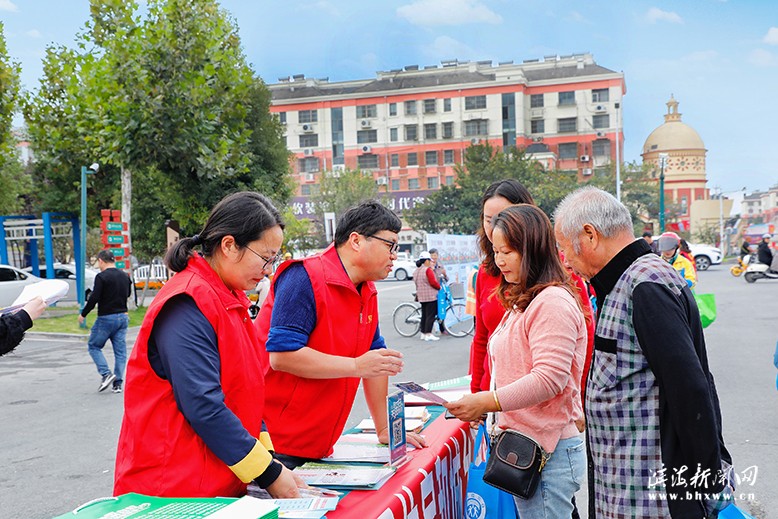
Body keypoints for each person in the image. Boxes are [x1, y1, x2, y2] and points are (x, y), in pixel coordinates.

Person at [554, 187, 733, 518]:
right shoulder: (626, 280)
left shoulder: (644, 285)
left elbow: (691, 388)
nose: (566, 261)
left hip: (649, 497)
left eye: (566, 249)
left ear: (589, 235)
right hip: (623, 488)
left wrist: (709, 479)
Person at [114, 191, 303, 499]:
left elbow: (247, 397)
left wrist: (270, 462)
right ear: (229, 246)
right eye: (265, 258)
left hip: (215, 481)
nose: (269, 270)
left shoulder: (231, 301)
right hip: (172, 489)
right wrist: (270, 474)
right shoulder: (187, 303)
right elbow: (203, 405)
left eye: (274, 259)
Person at [255, 200, 426, 468]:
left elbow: (376, 361)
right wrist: (356, 365)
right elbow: (282, 356)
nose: (395, 254)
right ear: (356, 240)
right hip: (273, 444)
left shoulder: (366, 289)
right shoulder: (304, 277)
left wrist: (384, 429)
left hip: (319, 443)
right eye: (390, 245)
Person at [445, 204, 587, 518]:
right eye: (496, 251)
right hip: (527, 447)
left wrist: (488, 401)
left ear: (533, 249)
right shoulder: (526, 298)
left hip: (547, 452)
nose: (500, 260)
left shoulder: (552, 302)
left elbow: (549, 379)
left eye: (508, 251)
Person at [469, 179, 594, 397]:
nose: (495, 227)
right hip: (495, 399)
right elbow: (482, 338)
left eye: (504, 218)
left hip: (541, 407)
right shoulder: (486, 273)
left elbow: (583, 341)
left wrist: (581, 396)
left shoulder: (561, 276)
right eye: (489, 220)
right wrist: (477, 393)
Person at [78, 250, 133, 393]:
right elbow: (128, 294)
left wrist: (83, 314)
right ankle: (118, 384)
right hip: (123, 317)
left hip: (106, 318)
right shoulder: (125, 276)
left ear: (101, 260)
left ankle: (106, 374)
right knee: (120, 352)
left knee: (94, 346)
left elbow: (94, 298)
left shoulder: (101, 277)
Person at [413, 250, 441, 342]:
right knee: (430, 315)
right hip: (430, 296)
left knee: (424, 315)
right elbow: (433, 282)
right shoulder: (427, 270)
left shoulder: (417, 270)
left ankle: (423, 333)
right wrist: (439, 287)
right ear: (426, 261)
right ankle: (428, 333)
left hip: (421, 296)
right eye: (429, 260)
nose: (430, 262)